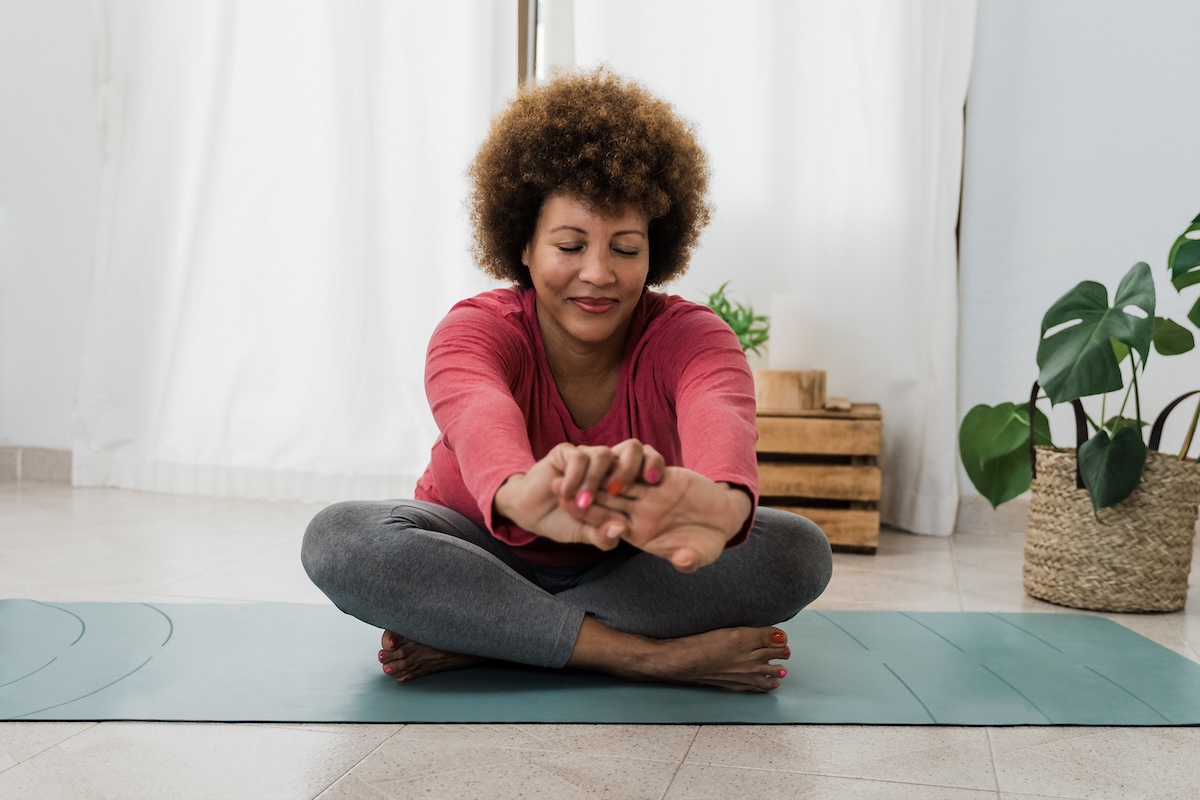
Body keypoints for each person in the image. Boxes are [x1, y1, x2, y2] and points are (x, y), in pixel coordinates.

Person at [302, 67, 832, 693]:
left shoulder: (694, 336)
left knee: (798, 549)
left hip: (631, 564)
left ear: (655, 255)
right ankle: (636, 655)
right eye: (571, 245)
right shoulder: (476, 329)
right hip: (480, 555)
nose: (598, 273)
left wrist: (721, 504)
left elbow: (721, 411)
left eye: (626, 249)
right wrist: (522, 493)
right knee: (340, 539)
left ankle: (489, 636)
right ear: (523, 245)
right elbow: (477, 414)